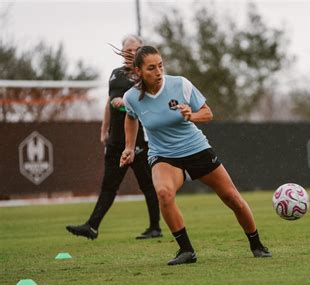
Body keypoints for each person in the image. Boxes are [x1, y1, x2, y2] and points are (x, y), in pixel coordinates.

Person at [120, 45, 272, 265]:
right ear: (138, 71)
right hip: (164, 156)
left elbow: (208, 113)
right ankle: (186, 251)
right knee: (163, 193)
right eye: (151, 68)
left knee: (232, 198)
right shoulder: (131, 98)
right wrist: (128, 147)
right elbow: (131, 117)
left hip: (196, 149)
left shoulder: (180, 84)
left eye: (161, 65)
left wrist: (191, 115)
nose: (159, 72)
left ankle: (257, 244)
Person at [66, 36, 162, 240]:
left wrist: (125, 104)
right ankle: (92, 226)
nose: (130, 53)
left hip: (138, 141)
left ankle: (155, 227)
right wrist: (104, 128)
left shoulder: (145, 75)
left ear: (141, 51)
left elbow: (150, 104)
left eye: (135, 49)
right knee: (109, 186)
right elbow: (109, 102)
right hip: (116, 141)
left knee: (148, 185)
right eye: (127, 50)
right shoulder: (115, 74)